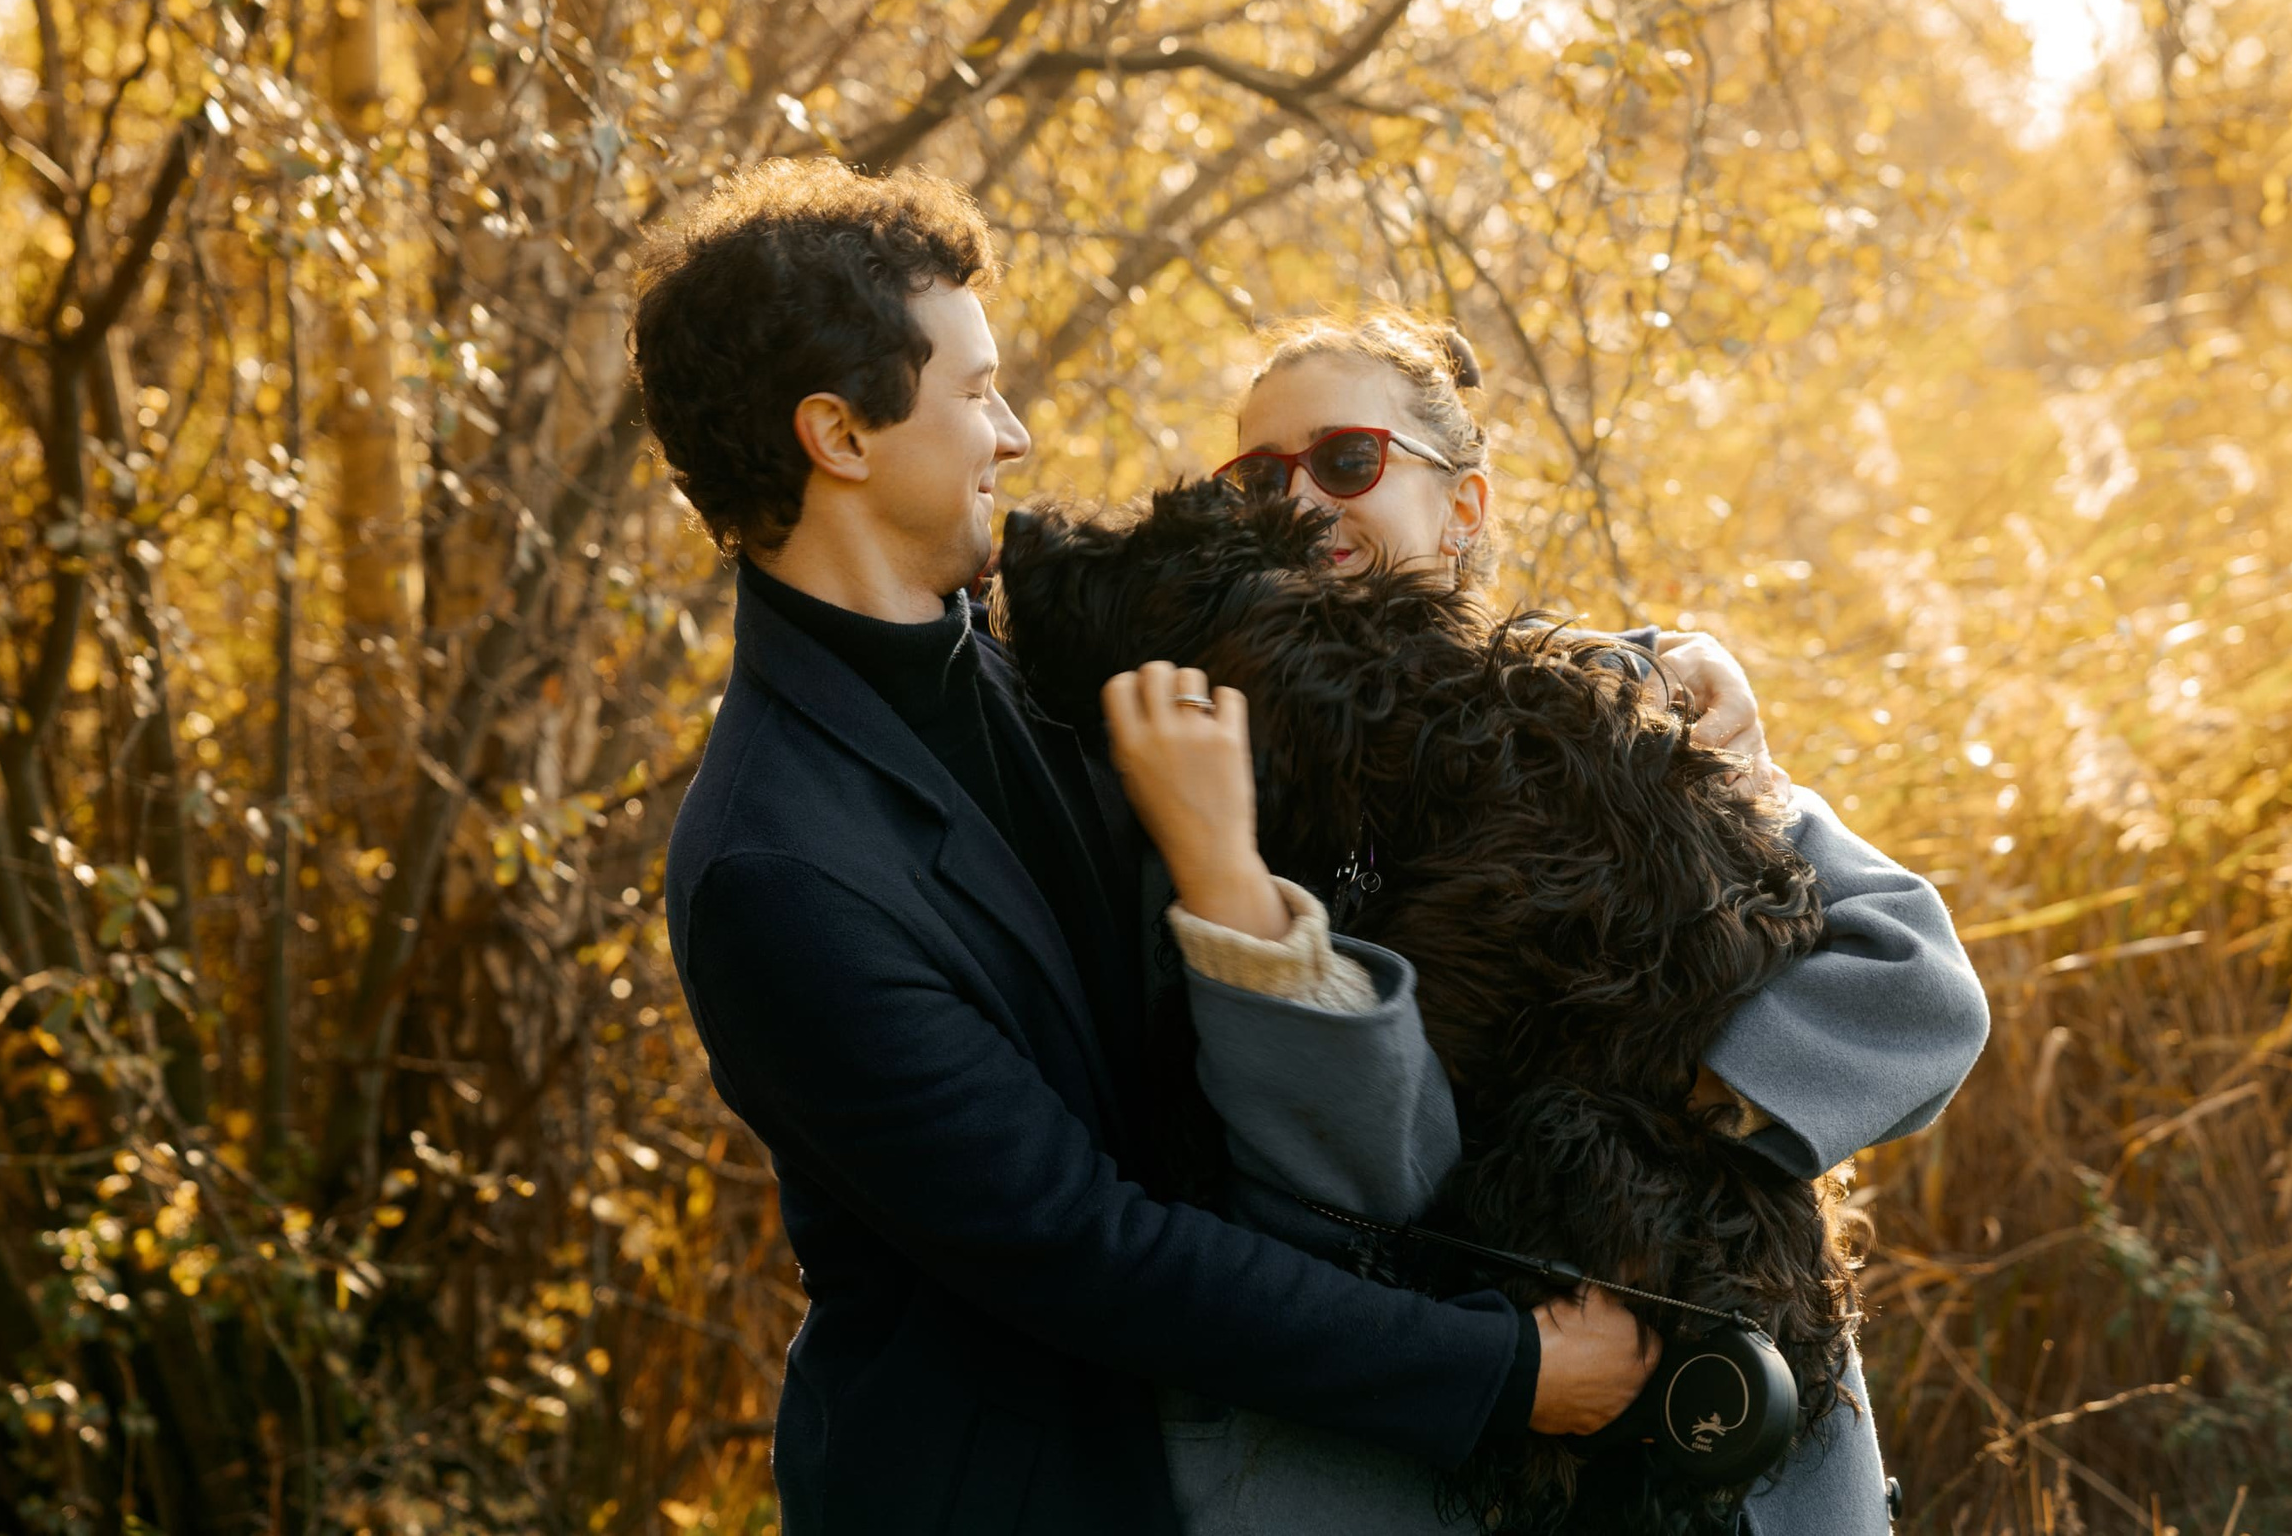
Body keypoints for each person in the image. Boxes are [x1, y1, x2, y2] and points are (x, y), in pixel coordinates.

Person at [637, 162, 1673, 1536]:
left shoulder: (1036, 655)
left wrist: (1653, 681)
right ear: (838, 434)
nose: (1011, 433)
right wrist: (1503, 1369)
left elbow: (1377, 698)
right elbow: (1080, 1244)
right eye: (974, 391)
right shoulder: (776, 864)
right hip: (1026, 1489)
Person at [1099, 311, 1988, 1533]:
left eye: (1346, 460)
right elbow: (1359, 1177)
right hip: (1408, 1465)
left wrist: (1659, 1098)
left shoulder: (1620, 707)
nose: (1299, 501)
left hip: (1715, 1445)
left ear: (1462, 508)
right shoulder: (1203, 779)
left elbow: (1914, 979)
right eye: (1258, 475)